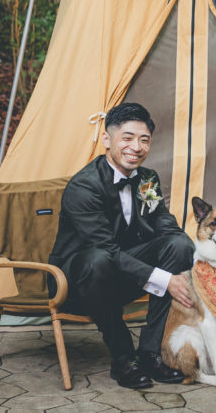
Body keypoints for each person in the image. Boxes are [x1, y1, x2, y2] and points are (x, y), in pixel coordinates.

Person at [48, 102, 195, 389]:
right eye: (127, 138)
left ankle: (151, 353)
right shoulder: (84, 186)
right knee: (99, 259)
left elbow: (166, 226)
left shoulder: (147, 179)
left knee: (179, 245)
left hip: (123, 273)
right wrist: (165, 280)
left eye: (144, 140)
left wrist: (193, 263)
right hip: (77, 283)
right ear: (107, 139)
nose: (136, 147)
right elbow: (105, 249)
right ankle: (123, 358)